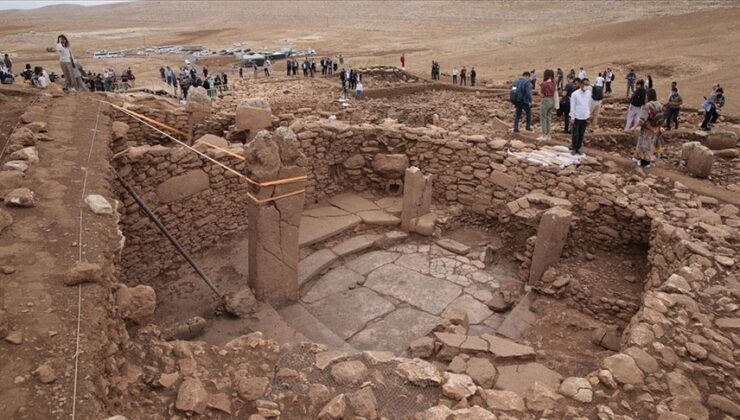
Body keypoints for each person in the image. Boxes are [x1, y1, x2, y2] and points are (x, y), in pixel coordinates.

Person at [632, 88, 663, 167]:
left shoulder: (648, 106)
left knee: (644, 145)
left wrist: (634, 127)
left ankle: (645, 162)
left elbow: (642, 120)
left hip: (647, 128)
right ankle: (637, 157)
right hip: (655, 128)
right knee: (649, 144)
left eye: (646, 96)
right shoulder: (659, 105)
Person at [569, 77, 592, 155]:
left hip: (585, 116)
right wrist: (572, 117)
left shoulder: (588, 93)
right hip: (577, 117)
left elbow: (588, 104)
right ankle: (574, 148)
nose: (586, 86)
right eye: (585, 84)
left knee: (581, 134)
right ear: (581, 84)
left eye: (588, 85)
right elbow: (572, 106)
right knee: (575, 134)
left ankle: (578, 148)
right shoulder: (575, 94)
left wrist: (588, 115)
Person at [538, 69, 558, 142]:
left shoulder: (544, 83)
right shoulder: (554, 82)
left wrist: (539, 89)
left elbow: (542, 94)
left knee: (543, 117)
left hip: (546, 100)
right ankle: (549, 135)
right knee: (549, 117)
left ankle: (544, 135)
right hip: (552, 100)